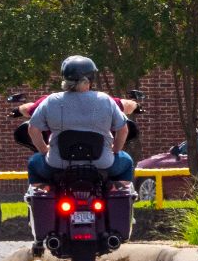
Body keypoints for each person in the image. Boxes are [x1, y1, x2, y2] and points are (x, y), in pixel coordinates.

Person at [27, 55, 134, 186]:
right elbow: (123, 129)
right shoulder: (105, 100)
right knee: (127, 161)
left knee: (33, 163)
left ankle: (42, 193)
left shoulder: (51, 100)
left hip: (57, 165)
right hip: (103, 164)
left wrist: (44, 151)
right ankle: (117, 192)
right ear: (89, 79)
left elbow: (33, 129)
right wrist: (115, 150)